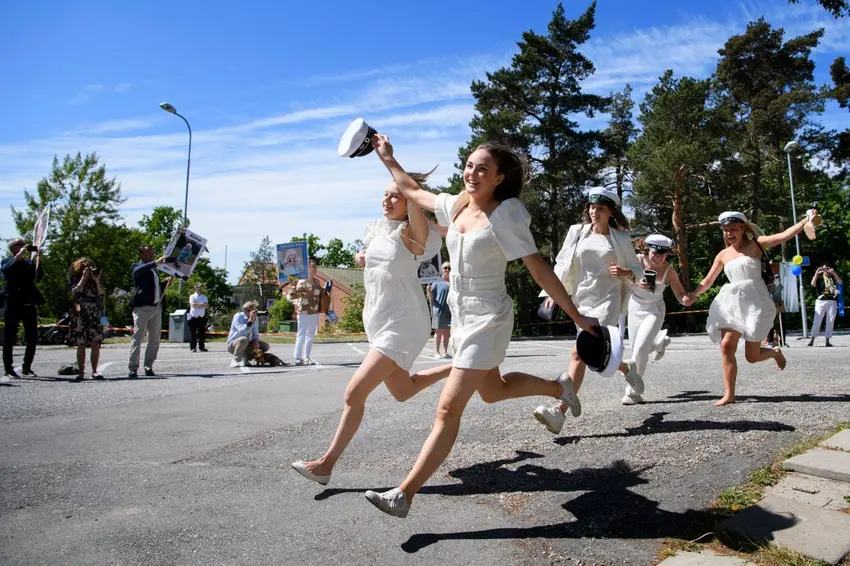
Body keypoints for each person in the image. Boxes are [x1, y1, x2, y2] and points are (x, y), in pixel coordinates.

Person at [362, 134, 598, 518]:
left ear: (499, 178)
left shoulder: (506, 215)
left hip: (489, 314)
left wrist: (575, 315)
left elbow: (536, 266)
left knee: (447, 408)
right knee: (494, 390)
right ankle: (562, 386)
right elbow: (409, 189)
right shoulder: (455, 205)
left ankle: (404, 494)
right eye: (470, 165)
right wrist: (388, 157)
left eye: (482, 169)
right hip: (462, 312)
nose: (472, 173)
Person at [291, 167, 453, 486]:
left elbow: (412, 228)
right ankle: (457, 366)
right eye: (385, 193)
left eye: (396, 195)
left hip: (404, 321)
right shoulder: (380, 231)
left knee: (354, 393)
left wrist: (397, 171)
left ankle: (325, 464)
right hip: (380, 319)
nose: (388, 199)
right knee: (403, 390)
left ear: (409, 202)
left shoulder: (413, 233)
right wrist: (365, 257)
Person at [532, 188, 644, 433]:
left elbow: (638, 269)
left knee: (578, 352)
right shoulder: (577, 232)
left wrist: (626, 273)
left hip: (608, 299)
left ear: (611, 211)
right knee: (594, 358)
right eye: (592, 207)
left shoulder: (620, 239)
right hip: (582, 298)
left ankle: (559, 411)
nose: (594, 212)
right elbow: (562, 262)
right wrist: (553, 293)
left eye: (601, 208)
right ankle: (626, 368)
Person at [687, 211, 813, 406]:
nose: (730, 233)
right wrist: (693, 294)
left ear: (743, 228)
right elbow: (708, 280)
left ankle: (774, 352)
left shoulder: (756, 244)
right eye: (726, 230)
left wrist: (807, 219)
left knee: (752, 357)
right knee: (726, 346)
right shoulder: (723, 255)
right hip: (731, 302)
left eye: (733, 229)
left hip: (756, 301)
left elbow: (786, 234)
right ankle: (729, 394)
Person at [619, 235, 691, 405]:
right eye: (654, 252)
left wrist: (686, 300)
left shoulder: (669, 270)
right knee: (636, 347)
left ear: (667, 253)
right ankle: (658, 343)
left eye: (662, 253)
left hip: (655, 310)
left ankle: (633, 393)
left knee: (641, 348)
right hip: (635, 306)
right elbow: (621, 275)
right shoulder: (636, 261)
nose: (658, 257)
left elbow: (680, 295)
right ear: (647, 249)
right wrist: (634, 280)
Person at [127, 245, 173, 378]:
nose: (152, 255)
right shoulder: (136, 266)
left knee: (154, 339)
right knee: (138, 338)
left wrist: (165, 282)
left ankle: (148, 366)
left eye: (153, 253)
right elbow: (137, 272)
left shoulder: (153, 271)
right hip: (142, 307)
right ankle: (133, 367)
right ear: (141, 255)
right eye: (149, 253)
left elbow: (155, 287)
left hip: (156, 307)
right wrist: (156, 263)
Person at [2, 237, 44, 378]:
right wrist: (19, 256)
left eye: (23, 244)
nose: (22, 246)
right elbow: (6, 271)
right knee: (10, 337)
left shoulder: (29, 263)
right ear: (13, 248)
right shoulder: (7, 261)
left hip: (28, 303)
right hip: (13, 302)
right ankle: (8, 368)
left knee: (32, 337)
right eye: (19, 244)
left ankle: (27, 367)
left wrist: (39, 259)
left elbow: (38, 277)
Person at [67, 258, 105, 381]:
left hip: (94, 312)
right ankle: (81, 372)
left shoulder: (94, 279)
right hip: (80, 311)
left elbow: (101, 293)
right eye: (85, 267)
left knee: (95, 343)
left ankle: (94, 371)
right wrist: (83, 277)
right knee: (81, 343)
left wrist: (96, 279)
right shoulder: (75, 278)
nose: (88, 269)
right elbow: (75, 290)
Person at [287, 259, 324, 365]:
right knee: (301, 333)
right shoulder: (302, 282)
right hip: (303, 311)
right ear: (307, 269)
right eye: (312, 267)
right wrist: (293, 287)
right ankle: (298, 357)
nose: (314, 269)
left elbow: (320, 293)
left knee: (311, 334)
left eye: (315, 267)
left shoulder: (317, 282)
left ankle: (307, 356)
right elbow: (293, 296)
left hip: (314, 310)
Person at [227, 301, 271, 366]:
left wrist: (256, 341)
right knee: (244, 339)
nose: (254, 312)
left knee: (265, 346)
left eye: (255, 310)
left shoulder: (255, 318)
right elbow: (242, 331)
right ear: (245, 310)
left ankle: (246, 358)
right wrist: (250, 321)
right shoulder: (238, 316)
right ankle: (235, 360)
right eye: (252, 310)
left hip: (245, 343)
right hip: (233, 345)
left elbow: (255, 334)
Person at [808, 264, 842, 347]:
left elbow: (840, 282)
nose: (826, 270)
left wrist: (834, 273)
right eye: (824, 269)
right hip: (821, 301)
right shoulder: (819, 278)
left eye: (827, 268)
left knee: (830, 321)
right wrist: (817, 272)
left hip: (832, 300)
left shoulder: (832, 278)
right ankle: (812, 339)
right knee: (817, 320)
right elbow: (813, 284)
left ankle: (827, 340)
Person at [428, 262, 451, 358]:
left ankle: (445, 352)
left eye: (449, 268)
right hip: (439, 310)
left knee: (446, 332)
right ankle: (437, 352)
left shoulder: (453, 282)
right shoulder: (436, 282)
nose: (447, 269)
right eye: (445, 268)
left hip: (449, 311)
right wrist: (428, 290)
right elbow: (430, 297)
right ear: (442, 270)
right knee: (439, 331)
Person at [766, 273, 788, 348]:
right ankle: (770, 341)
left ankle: (783, 341)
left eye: (778, 278)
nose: (777, 279)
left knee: (782, 322)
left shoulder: (782, 286)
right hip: (772, 304)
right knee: (771, 323)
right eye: (776, 278)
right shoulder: (770, 286)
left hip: (780, 304)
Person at [188, 283, 209, 353]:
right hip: (193, 317)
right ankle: (193, 347)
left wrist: (198, 304)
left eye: (200, 287)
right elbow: (192, 305)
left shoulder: (204, 297)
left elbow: (207, 306)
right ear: (195, 288)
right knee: (193, 333)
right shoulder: (192, 296)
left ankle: (201, 347)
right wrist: (202, 304)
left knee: (202, 333)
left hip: (201, 317)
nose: (199, 288)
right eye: (197, 287)